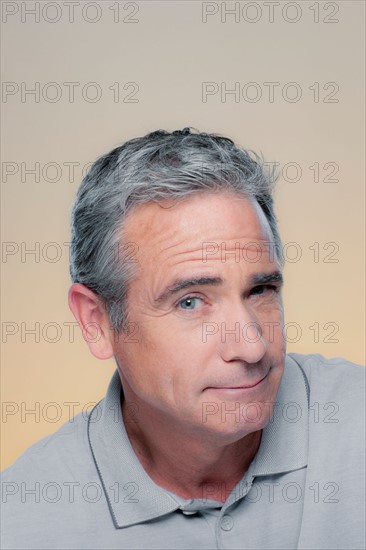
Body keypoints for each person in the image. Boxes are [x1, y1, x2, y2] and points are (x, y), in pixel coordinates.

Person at [1, 128, 364, 550]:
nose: (252, 346)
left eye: (260, 290)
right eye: (191, 302)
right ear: (96, 321)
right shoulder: (23, 522)